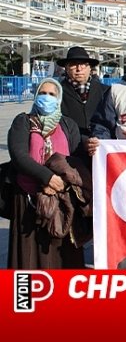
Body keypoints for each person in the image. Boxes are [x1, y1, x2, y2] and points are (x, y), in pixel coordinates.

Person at [7, 78, 85, 268]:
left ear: (59, 99)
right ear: (35, 96)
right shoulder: (23, 121)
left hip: (62, 197)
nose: (47, 98)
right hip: (28, 198)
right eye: (42, 93)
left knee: (63, 255)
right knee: (29, 256)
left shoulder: (68, 124)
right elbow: (19, 155)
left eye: (52, 94)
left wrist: (62, 182)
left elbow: (76, 159)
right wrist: (47, 178)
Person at [57, 46, 108, 150]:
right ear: (66, 68)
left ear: (90, 68)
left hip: (101, 149)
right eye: (73, 64)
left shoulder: (105, 91)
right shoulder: (56, 92)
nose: (79, 69)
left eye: (83, 64)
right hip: (70, 150)